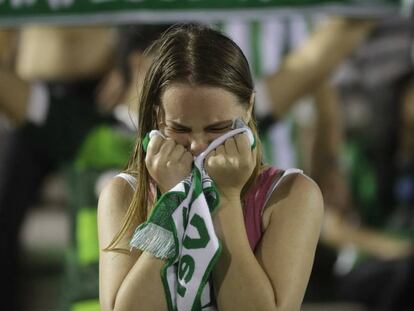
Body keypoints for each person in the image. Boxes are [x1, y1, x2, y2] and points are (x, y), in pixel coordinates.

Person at [98, 23, 323, 311]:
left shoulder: (292, 195)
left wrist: (227, 200)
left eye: (217, 127)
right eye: (180, 128)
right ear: (157, 118)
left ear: (249, 108)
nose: (198, 146)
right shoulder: (122, 194)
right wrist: (171, 205)